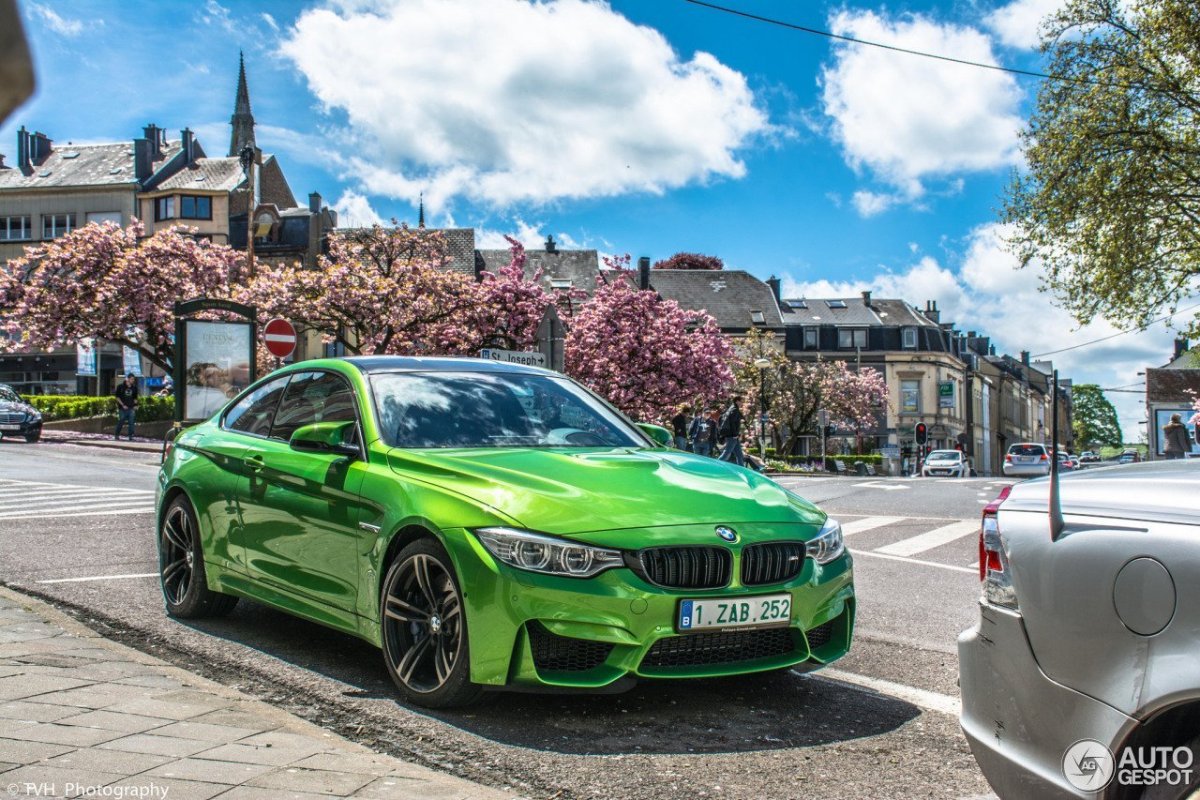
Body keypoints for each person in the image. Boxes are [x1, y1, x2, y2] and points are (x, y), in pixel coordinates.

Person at [716, 394, 746, 466]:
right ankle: (716, 466)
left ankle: (742, 470)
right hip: (732, 436)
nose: (742, 403)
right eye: (741, 401)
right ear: (737, 401)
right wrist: (735, 434)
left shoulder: (731, 409)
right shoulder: (734, 410)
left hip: (733, 435)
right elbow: (732, 423)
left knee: (739, 455)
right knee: (727, 453)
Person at [114, 373, 138, 440]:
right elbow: (117, 397)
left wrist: (136, 405)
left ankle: (131, 436)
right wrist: (123, 405)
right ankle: (117, 434)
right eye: (132, 379)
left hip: (131, 408)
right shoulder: (120, 387)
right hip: (122, 408)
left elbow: (135, 398)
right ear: (127, 379)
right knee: (121, 421)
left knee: (131, 422)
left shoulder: (134, 388)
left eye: (133, 379)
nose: (133, 380)